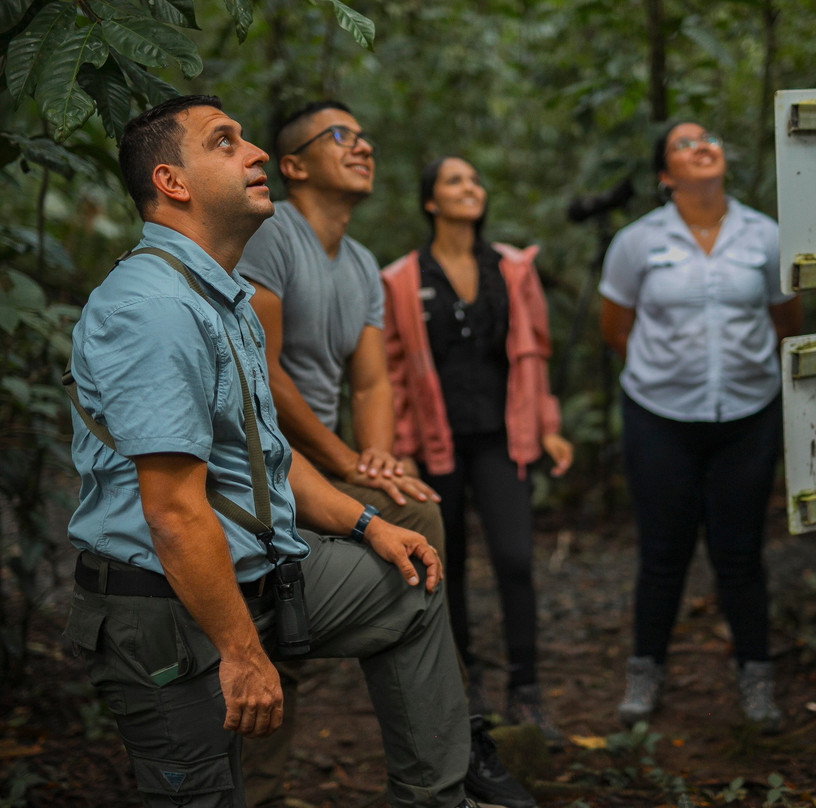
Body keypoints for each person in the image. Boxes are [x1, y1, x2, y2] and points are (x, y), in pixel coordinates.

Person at [61, 95, 478, 808]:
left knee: (412, 582)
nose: (253, 154)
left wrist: (369, 526)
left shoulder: (220, 297)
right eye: (225, 143)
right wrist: (243, 654)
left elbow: (267, 460)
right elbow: (172, 514)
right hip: (170, 607)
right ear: (173, 182)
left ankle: (438, 797)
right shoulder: (153, 306)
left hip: (258, 571)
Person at [235, 103, 537, 808]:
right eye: (341, 136)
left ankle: (444, 764)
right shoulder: (272, 232)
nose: (363, 145)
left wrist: (375, 456)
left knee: (411, 509)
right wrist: (347, 460)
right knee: (284, 621)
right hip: (264, 466)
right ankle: (266, 789)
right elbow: (263, 373)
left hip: (325, 461)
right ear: (294, 164)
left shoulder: (363, 260)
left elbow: (370, 379)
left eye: (365, 136)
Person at [599, 122, 801, 733]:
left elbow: (785, 318)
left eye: (708, 138)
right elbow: (616, 330)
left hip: (747, 416)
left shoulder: (765, 234)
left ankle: (757, 681)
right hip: (659, 419)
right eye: (683, 145)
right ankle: (645, 674)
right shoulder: (636, 242)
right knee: (663, 553)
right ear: (666, 176)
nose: (701, 145)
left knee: (740, 555)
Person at [381, 156, 574, 746]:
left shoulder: (512, 268)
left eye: (475, 180)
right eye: (455, 181)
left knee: (515, 559)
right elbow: (392, 371)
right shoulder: (403, 279)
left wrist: (547, 425)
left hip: (502, 436)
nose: (471, 188)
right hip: (437, 445)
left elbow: (535, 350)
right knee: (449, 566)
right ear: (431, 200)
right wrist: (401, 448)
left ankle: (527, 687)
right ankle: (467, 686)